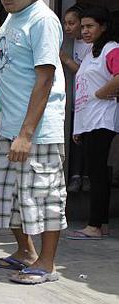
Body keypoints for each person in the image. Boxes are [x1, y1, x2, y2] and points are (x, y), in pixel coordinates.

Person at [0, 0, 68, 285]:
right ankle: (25, 251)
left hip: (36, 131)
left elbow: (45, 79)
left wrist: (26, 134)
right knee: (6, 196)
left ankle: (46, 264)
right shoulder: (12, 17)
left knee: (46, 197)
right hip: (10, 127)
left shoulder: (43, 19)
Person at [66, 6, 119, 240]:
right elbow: (83, 87)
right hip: (88, 121)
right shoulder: (91, 53)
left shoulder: (111, 48)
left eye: (90, 26)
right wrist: (79, 127)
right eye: (83, 26)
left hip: (101, 119)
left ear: (103, 27)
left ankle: (94, 225)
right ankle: (102, 224)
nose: (85, 31)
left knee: (96, 174)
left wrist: (102, 93)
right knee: (96, 173)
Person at [60, 4, 92, 193]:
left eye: (71, 23)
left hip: (88, 101)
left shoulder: (91, 45)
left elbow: (86, 73)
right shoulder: (70, 42)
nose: (67, 27)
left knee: (85, 140)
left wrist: (64, 58)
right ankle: (76, 176)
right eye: (65, 23)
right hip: (73, 100)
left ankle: (85, 177)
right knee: (75, 140)